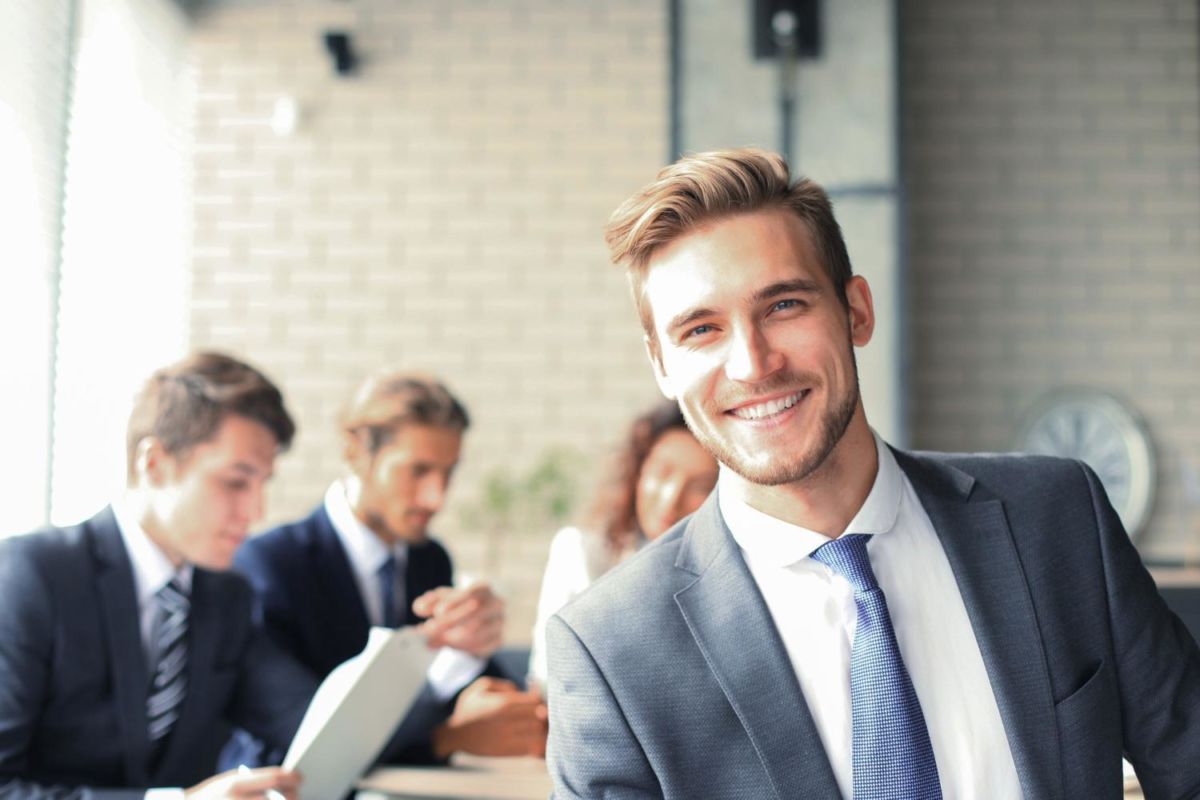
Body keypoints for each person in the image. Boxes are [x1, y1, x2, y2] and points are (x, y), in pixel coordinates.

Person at [545, 148, 1200, 799]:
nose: (752, 363)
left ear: (856, 310)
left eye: (784, 306)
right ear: (661, 365)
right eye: (700, 330)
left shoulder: (1057, 519)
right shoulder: (610, 649)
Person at [0, 352, 317, 799]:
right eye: (235, 481)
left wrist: (437, 658)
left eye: (264, 483)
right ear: (155, 463)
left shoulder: (226, 597)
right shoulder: (33, 576)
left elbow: (312, 718)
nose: (256, 511)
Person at [226, 369, 547, 768]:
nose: (436, 497)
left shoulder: (430, 560)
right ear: (356, 452)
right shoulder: (269, 565)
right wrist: (447, 737)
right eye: (418, 471)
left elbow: (443, 694)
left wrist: (472, 654)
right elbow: (306, 736)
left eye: (449, 473)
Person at [527, 401, 717, 689]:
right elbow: (549, 678)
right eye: (662, 473)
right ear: (638, 472)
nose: (671, 499)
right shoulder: (582, 553)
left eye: (700, 486)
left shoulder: (724, 577)